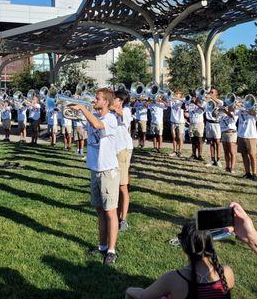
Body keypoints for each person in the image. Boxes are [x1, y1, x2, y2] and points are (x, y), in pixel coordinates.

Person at [69, 88, 120, 265]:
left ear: (105, 102)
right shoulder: (95, 116)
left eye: (97, 98)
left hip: (108, 170)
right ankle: (102, 246)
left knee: (110, 211)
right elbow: (86, 123)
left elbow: (98, 126)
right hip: (95, 168)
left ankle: (112, 251)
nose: (94, 100)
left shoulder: (111, 118)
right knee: (99, 210)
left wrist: (83, 109)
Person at [125, 220, 234, 299]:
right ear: (210, 243)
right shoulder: (227, 272)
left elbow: (142, 296)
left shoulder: (174, 278)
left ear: (183, 245)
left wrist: (129, 290)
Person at [113, 90, 133, 231]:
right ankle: (115, 213)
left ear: (120, 101)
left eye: (114, 98)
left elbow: (122, 115)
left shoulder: (126, 111)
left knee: (122, 186)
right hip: (113, 151)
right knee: (114, 185)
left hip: (123, 150)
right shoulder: (111, 112)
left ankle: (123, 219)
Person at [236, 102, 257, 181]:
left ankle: (254, 174)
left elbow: (254, 113)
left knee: (252, 155)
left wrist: (245, 106)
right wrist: (233, 104)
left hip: (251, 135)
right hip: (241, 134)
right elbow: (231, 110)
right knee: (244, 154)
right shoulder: (240, 109)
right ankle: (247, 173)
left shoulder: (253, 109)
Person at [204, 87, 224, 167]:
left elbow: (221, 104)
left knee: (218, 142)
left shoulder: (219, 101)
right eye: (210, 92)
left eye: (212, 92)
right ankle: (212, 160)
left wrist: (211, 97)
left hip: (216, 124)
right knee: (211, 142)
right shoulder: (207, 102)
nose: (210, 93)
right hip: (209, 123)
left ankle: (218, 160)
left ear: (216, 93)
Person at [220, 104, 238, 173]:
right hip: (224, 132)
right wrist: (216, 111)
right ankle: (227, 167)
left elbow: (232, 116)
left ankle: (232, 168)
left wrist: (224, 111)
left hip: (231, 133)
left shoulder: (235, 112)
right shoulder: (223, 113)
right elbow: (214, 116)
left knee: (232, 151)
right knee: (226, 151)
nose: (228, 107)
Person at [186, 93, 205, 162]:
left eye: (193, 97)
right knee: (193, 140)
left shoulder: (202, 103)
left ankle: (200, 155)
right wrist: (186, 101)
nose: (192, 98)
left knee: (199, 140)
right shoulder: (190, 104)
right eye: (192, 97)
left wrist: (196, 103)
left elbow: (203, 109)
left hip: (199, 124)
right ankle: (193, 154)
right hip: (192, 123)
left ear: (196, 97)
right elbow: (183, 108)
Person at [168, 90, 185, 157]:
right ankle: (174, 151)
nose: (176, 94)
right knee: (174, 137)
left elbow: (185, 101)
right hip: (173, 121)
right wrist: (171, 98)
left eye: (177, 93)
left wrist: (176, 98)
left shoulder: (182, 100)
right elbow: (167, 102)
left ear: (180, 95)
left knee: (180, 137)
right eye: (175, 93)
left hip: (180, 122)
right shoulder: (172, 101)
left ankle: (180, 151)